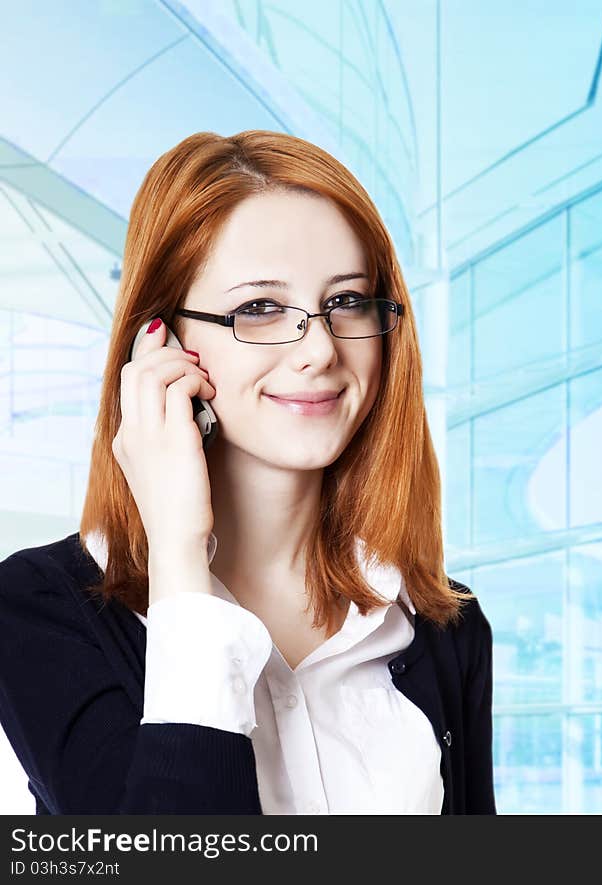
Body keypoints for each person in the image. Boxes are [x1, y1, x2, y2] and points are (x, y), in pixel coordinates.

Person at [0, 130, 496, 815]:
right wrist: (178, 560)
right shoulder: (40, 609)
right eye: (260, 308)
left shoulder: (444, 625)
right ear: (163, 340)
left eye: (347, 300)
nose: (320, 348)